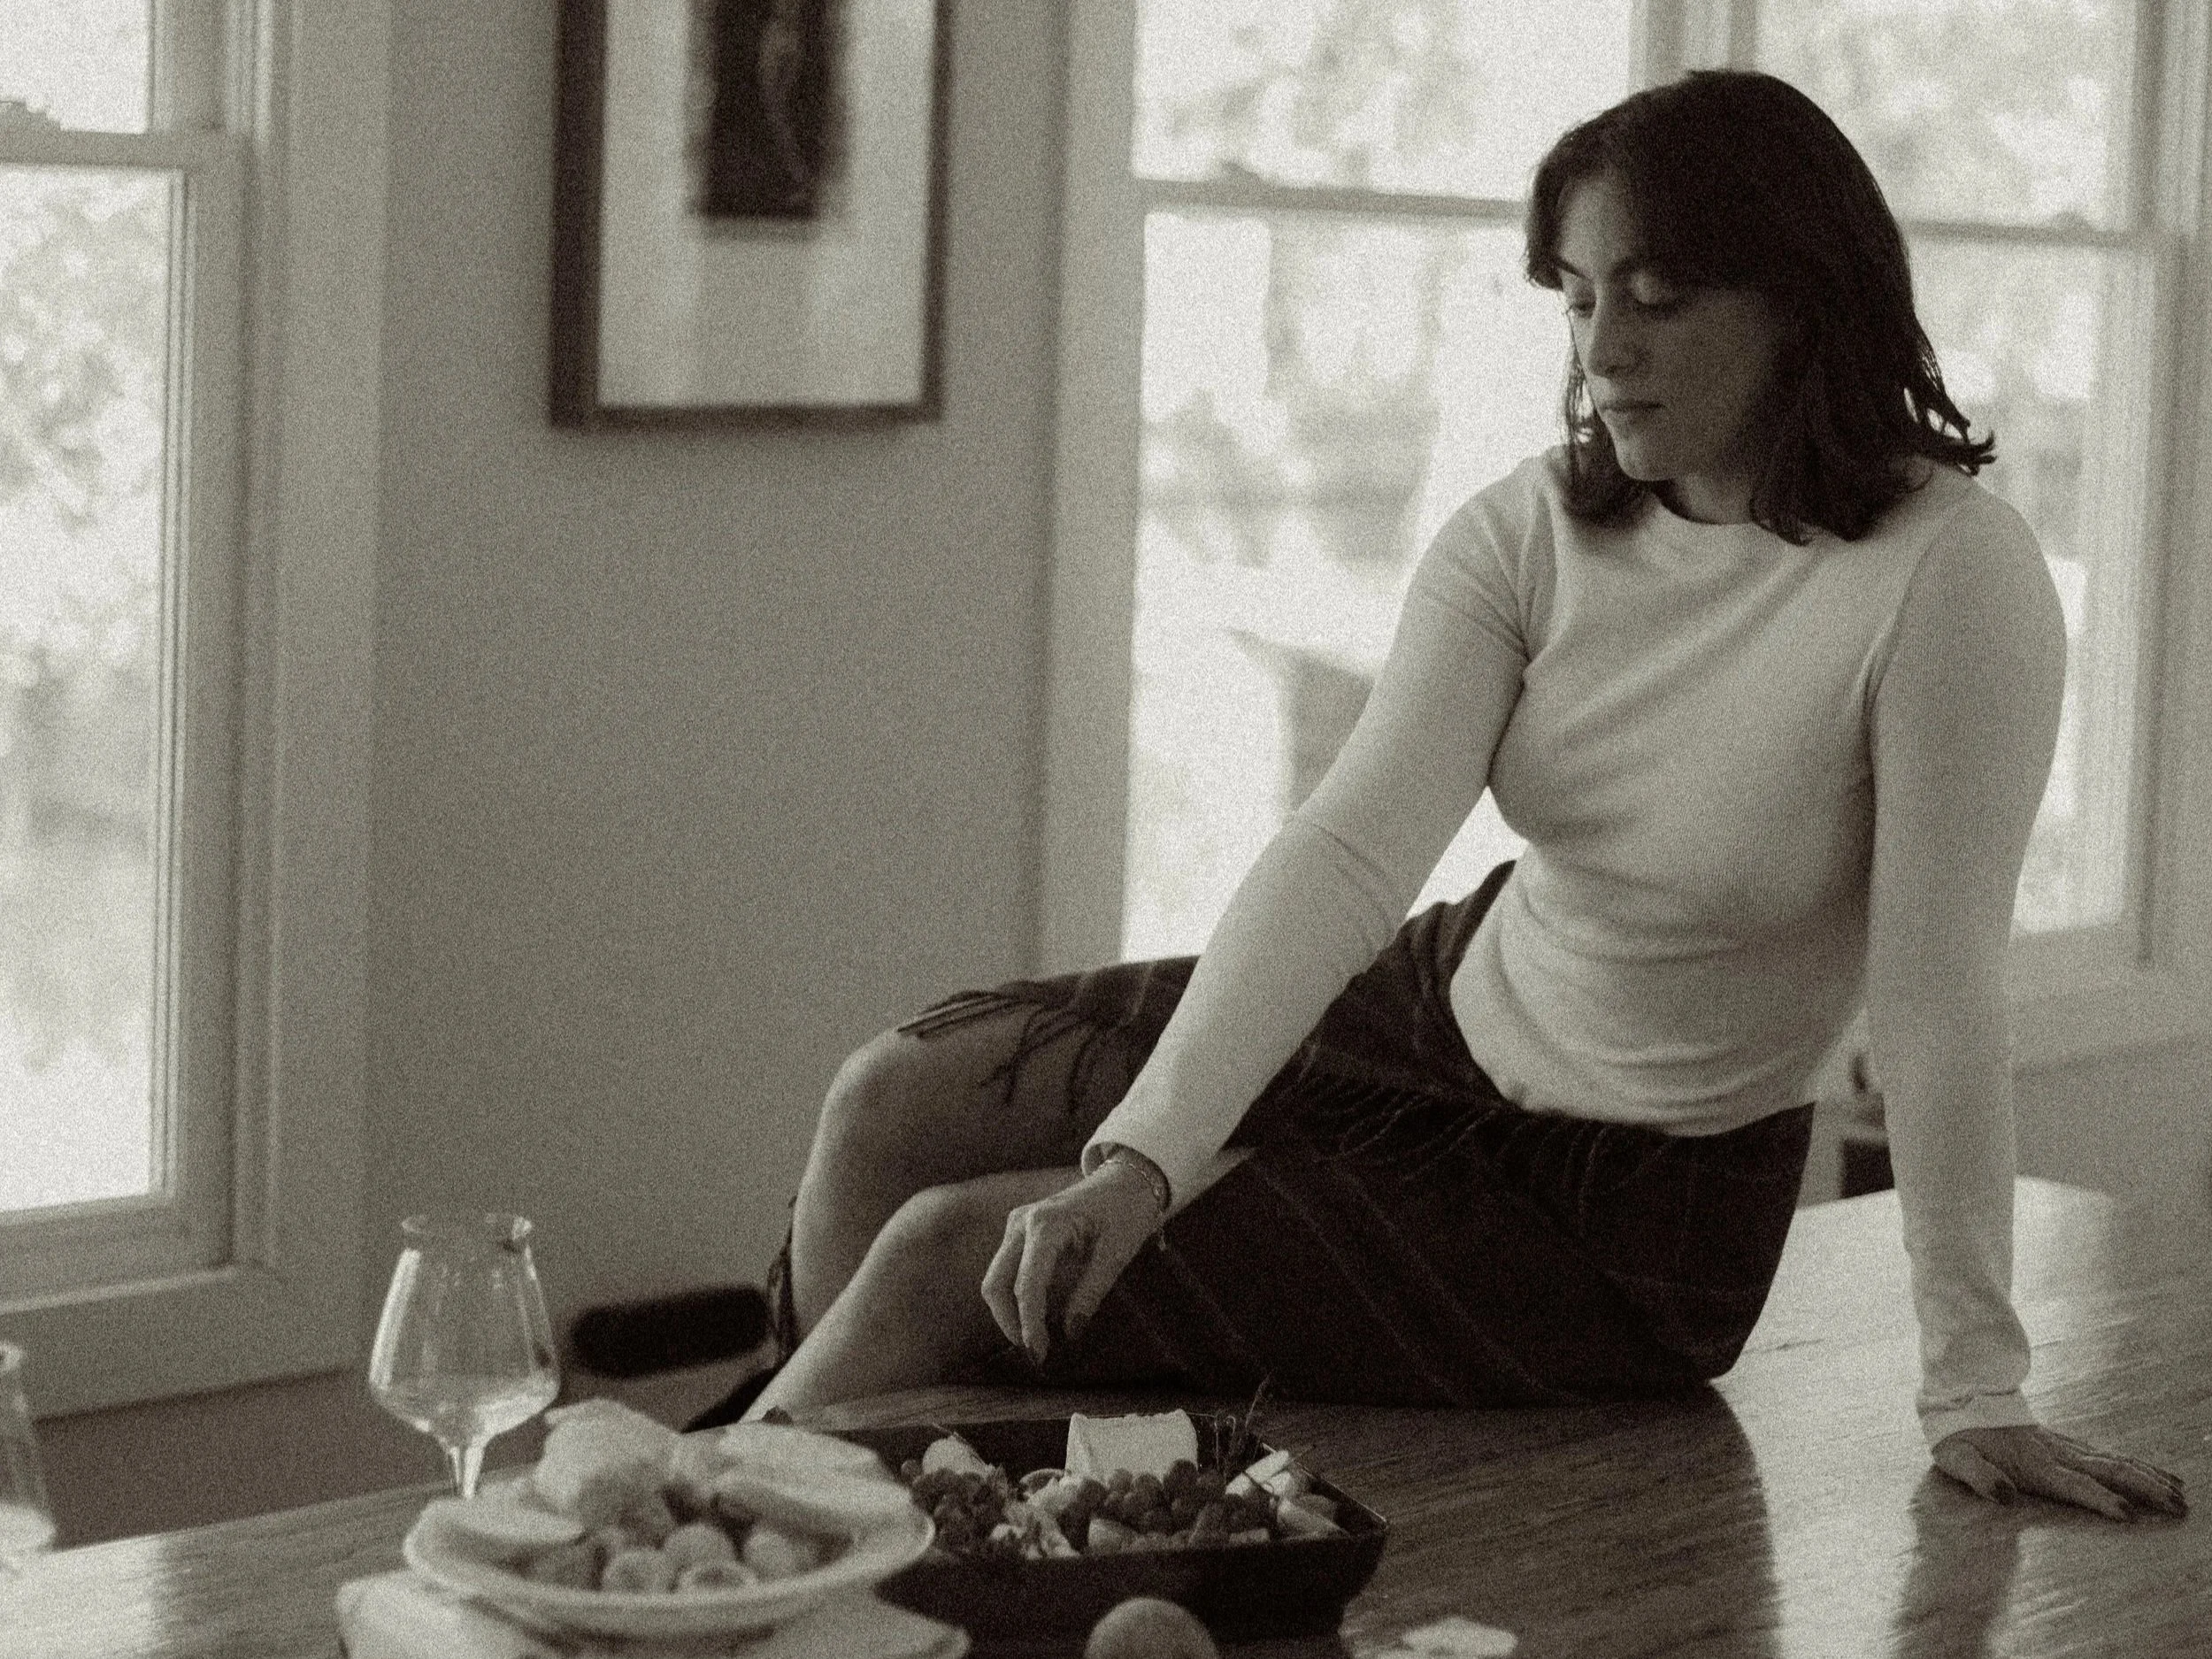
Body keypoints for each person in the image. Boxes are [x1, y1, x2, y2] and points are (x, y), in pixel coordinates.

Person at [696, 69, 2185, 1523]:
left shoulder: (1948, 575)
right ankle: (792, 1534)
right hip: (1428, 1015)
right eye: (1578, 298)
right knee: (892, 1097)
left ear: (1802, 299)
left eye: (1658, 297)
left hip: (1627, 1220)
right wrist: (1146, 1161)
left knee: (941, 1257)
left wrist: (1975, 1387)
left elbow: (1935, 1001)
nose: (1604, 349)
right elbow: (1351, 850)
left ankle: (698, 1549)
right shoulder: (1532, 529)